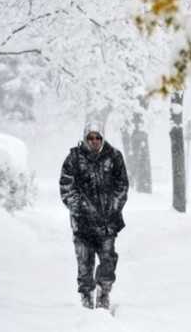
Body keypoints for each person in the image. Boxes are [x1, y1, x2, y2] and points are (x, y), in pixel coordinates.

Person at [59, 121, 129, 309]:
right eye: (90, 137)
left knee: (108, 260)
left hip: (108, 223)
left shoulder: (114, 156)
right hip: (82, 224)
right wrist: (81, 209)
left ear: (103, 138)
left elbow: (122, 186)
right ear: (85, 137)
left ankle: (104, 293)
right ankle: (86, 297)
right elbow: (66, 188)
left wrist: (112, 207)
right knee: (84, 263)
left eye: (98, 137)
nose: (94, 141)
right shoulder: (73, 158)